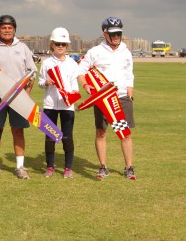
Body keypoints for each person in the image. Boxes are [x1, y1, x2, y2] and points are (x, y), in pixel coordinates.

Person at [78, 17, 136, 180]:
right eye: (113, 33)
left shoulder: (126, 51)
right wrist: (85, 85)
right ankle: (103, 166)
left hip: (123, 98)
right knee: (101, 132)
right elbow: (81, 71)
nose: (116, 36)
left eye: (119, 33)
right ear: (105, 34)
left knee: (124, 133)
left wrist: (130, 95)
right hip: (103, 99)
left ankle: (129, 167)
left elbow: (129, 74)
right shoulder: (95, 52)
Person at [0, 15, 37, 180]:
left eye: (10, 27)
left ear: (14, 29)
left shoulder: (23, 48)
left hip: (18, 97)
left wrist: (27, 94)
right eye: (3, 27)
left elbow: (31, 72)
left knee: (18, 130)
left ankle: (20, 167)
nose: (7, 30)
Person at [38, 27, 79, 178]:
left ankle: (68, 168)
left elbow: (75, 85)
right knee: (50, 137)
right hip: (49, 105)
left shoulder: (73, 64)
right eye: (57, 44)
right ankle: (50, 167)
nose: (60, 47)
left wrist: (72, 94)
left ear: (67, 46)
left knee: (67, 137)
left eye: (63, 44)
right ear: (52, 45)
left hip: (67, 106)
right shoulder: (47, 63)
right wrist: (46, 83)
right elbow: (40, 82)